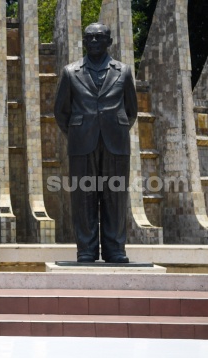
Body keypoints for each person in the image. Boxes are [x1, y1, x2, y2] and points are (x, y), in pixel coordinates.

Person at [54, 23, 138, 263]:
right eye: (89, 38)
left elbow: (131, 110)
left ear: (109, 41)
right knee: (83, 197)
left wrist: (115, 127)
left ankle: (115, 250)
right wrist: (78, 131)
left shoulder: (123, 71)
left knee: (116, 196)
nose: (93, 41)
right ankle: (87, 249)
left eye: (98, 37)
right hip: (82, 143)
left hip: (116, 143)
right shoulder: (70, 72)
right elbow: (61, 112)